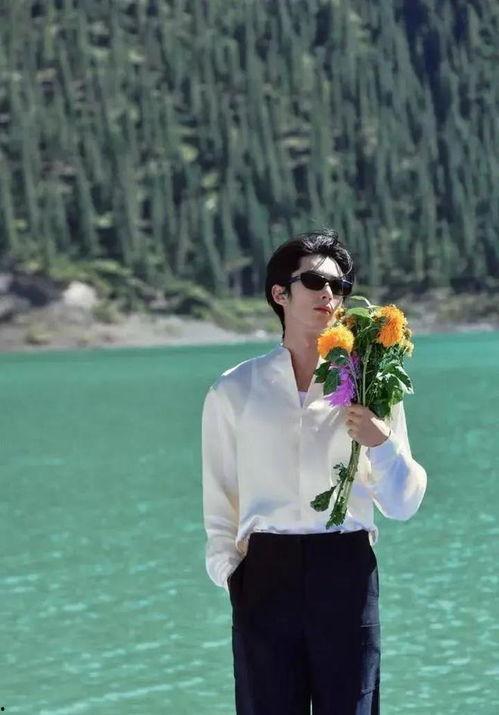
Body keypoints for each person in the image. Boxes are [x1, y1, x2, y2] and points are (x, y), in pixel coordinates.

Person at [201, 228, 427, 714]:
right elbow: (220, 496)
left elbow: (404, 503)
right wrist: (231, 574)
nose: (330, 293)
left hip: (346, 571)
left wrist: (380, 442)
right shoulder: (234, 389)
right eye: (315, 281)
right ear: (279, 293)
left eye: (339, 285)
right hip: (263, 575)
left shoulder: (370, 385)